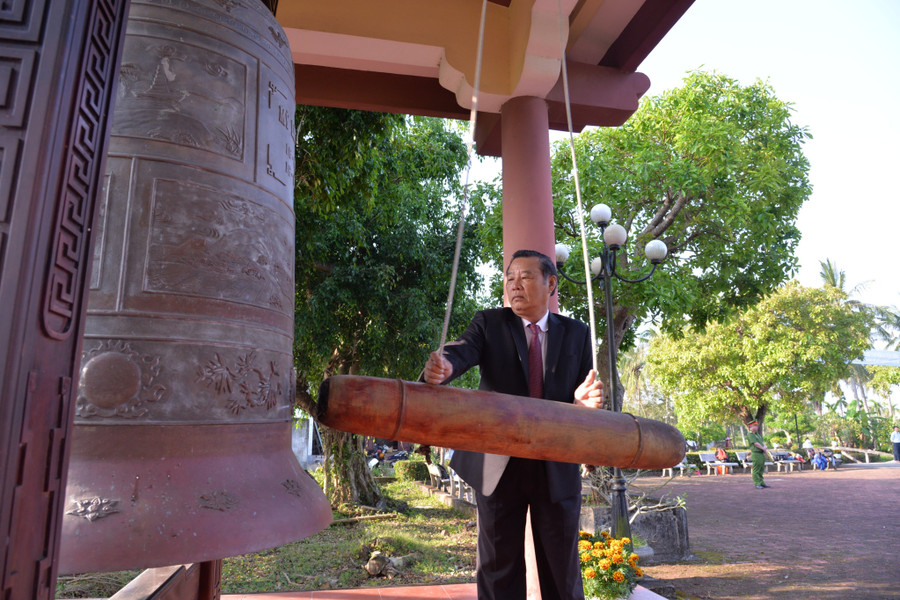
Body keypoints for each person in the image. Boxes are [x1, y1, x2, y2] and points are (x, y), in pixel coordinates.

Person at [422, 249, 603, 600]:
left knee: (562, 571)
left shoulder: (577, 334)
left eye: (525, 277)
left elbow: (585, 398)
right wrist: (443, 367)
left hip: (555, 465)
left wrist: (583, 405)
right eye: (509, 279)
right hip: (498, 462)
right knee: (497, 566)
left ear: (551, 283)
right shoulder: (490, 323)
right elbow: (459, 351)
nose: (514, 285)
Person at [746, 421, 770, 489]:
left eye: (757, 425)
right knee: (756, 469)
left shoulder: (757, 434)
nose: (757, 427)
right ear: (750, 426)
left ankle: (761, 482)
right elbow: (756, 443)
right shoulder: (750, 434)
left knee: (761, 469)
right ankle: (757, 483)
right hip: (756, 453)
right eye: (755, 426)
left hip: (761, 453)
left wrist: (765, 447)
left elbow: (761, 442)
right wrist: (763, 448)